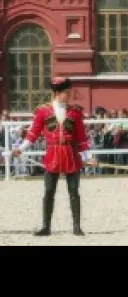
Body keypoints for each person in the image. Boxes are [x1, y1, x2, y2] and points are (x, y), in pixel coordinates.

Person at [11, 77, 96, 236]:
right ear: (57, 93)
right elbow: (32, 134)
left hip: (71, 154)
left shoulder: (75, 112)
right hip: (53, 155)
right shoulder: (43, 111)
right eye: (66, 92)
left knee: (74, 191)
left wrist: (88, 156)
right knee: (49, 191)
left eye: (69, 92)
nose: (69, 95)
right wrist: (20, 149)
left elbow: (82, 138)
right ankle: (46, 226)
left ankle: (77, 226)